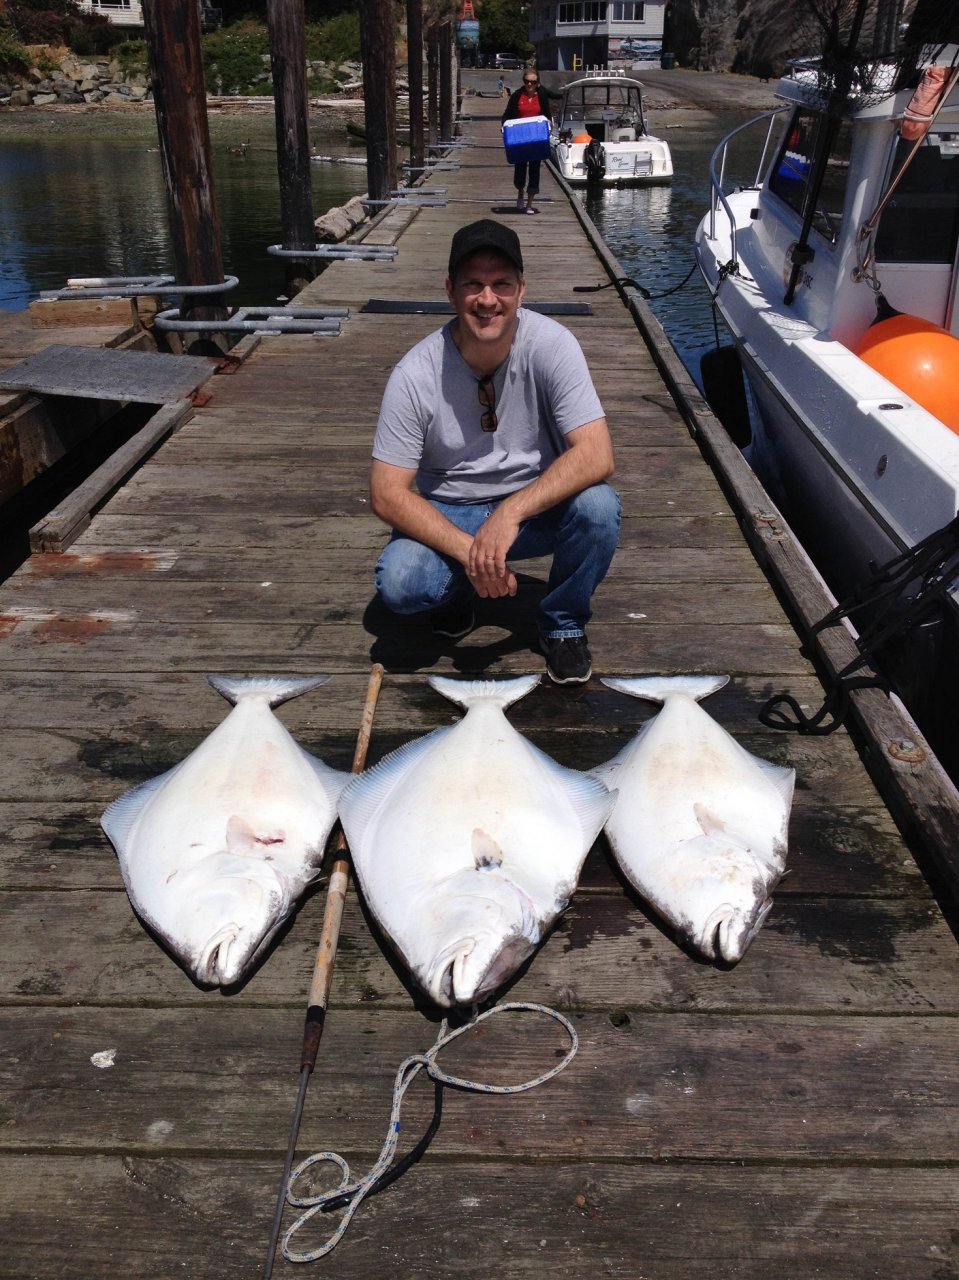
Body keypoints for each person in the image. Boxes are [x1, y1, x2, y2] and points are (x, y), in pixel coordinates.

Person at [370, 219, 620, 685]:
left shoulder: (553, 344)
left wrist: (509, 513)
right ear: (450, 291)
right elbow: (387, 494)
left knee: (599, 507)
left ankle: (563, 625)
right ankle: (458, 592)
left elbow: (597, 453)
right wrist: (472, 553)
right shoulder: (414, 373)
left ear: (521, 289)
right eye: (473, 284)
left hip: (531, 508)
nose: (488, 299)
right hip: (450, 509)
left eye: (501, 283)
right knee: (402, 585)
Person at [501, 71, 552, 213]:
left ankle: (529, 204)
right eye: (527, 81)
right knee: (520, 168)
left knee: (535, 169)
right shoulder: (517, 95)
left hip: (536, 138)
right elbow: (507, 114)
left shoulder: (541, 95)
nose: (530, 84)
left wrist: (549, 122)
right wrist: (504, 126)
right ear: (524, 81)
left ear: (537, 83)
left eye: (533, 82)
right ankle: (520, 192)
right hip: (520, 137)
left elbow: (547, 114)